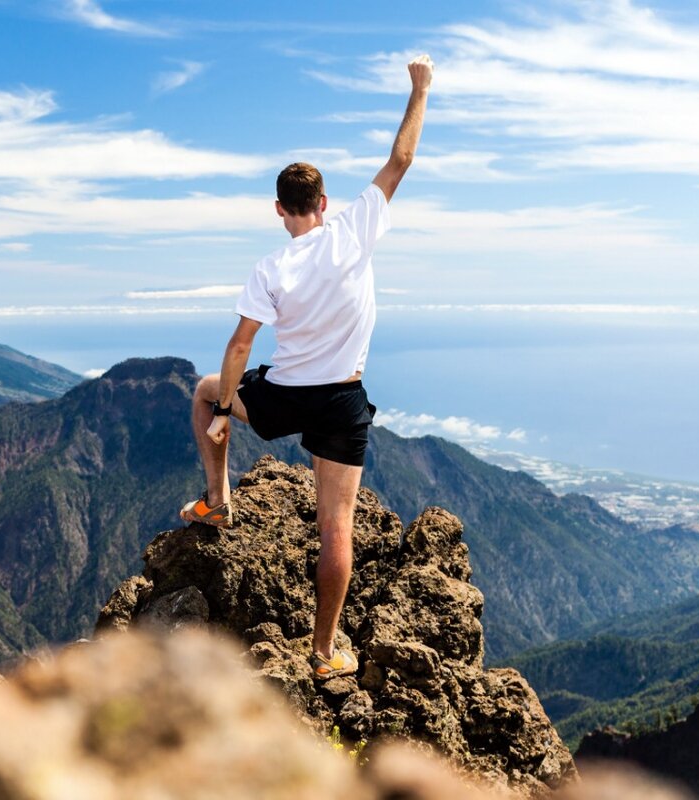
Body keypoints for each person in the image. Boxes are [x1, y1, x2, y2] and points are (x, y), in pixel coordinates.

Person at [179, 54, 434, 680]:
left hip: (283, 395)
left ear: (279, 209)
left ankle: (218, 499)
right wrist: (420, 88)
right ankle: (323, 655)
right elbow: (400, 160)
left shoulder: (271, 268)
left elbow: (239, 350)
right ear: (323, 201)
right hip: (341, 401)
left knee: (203, 389)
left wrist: (219, 412)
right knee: (336, 530)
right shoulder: (354, 230)